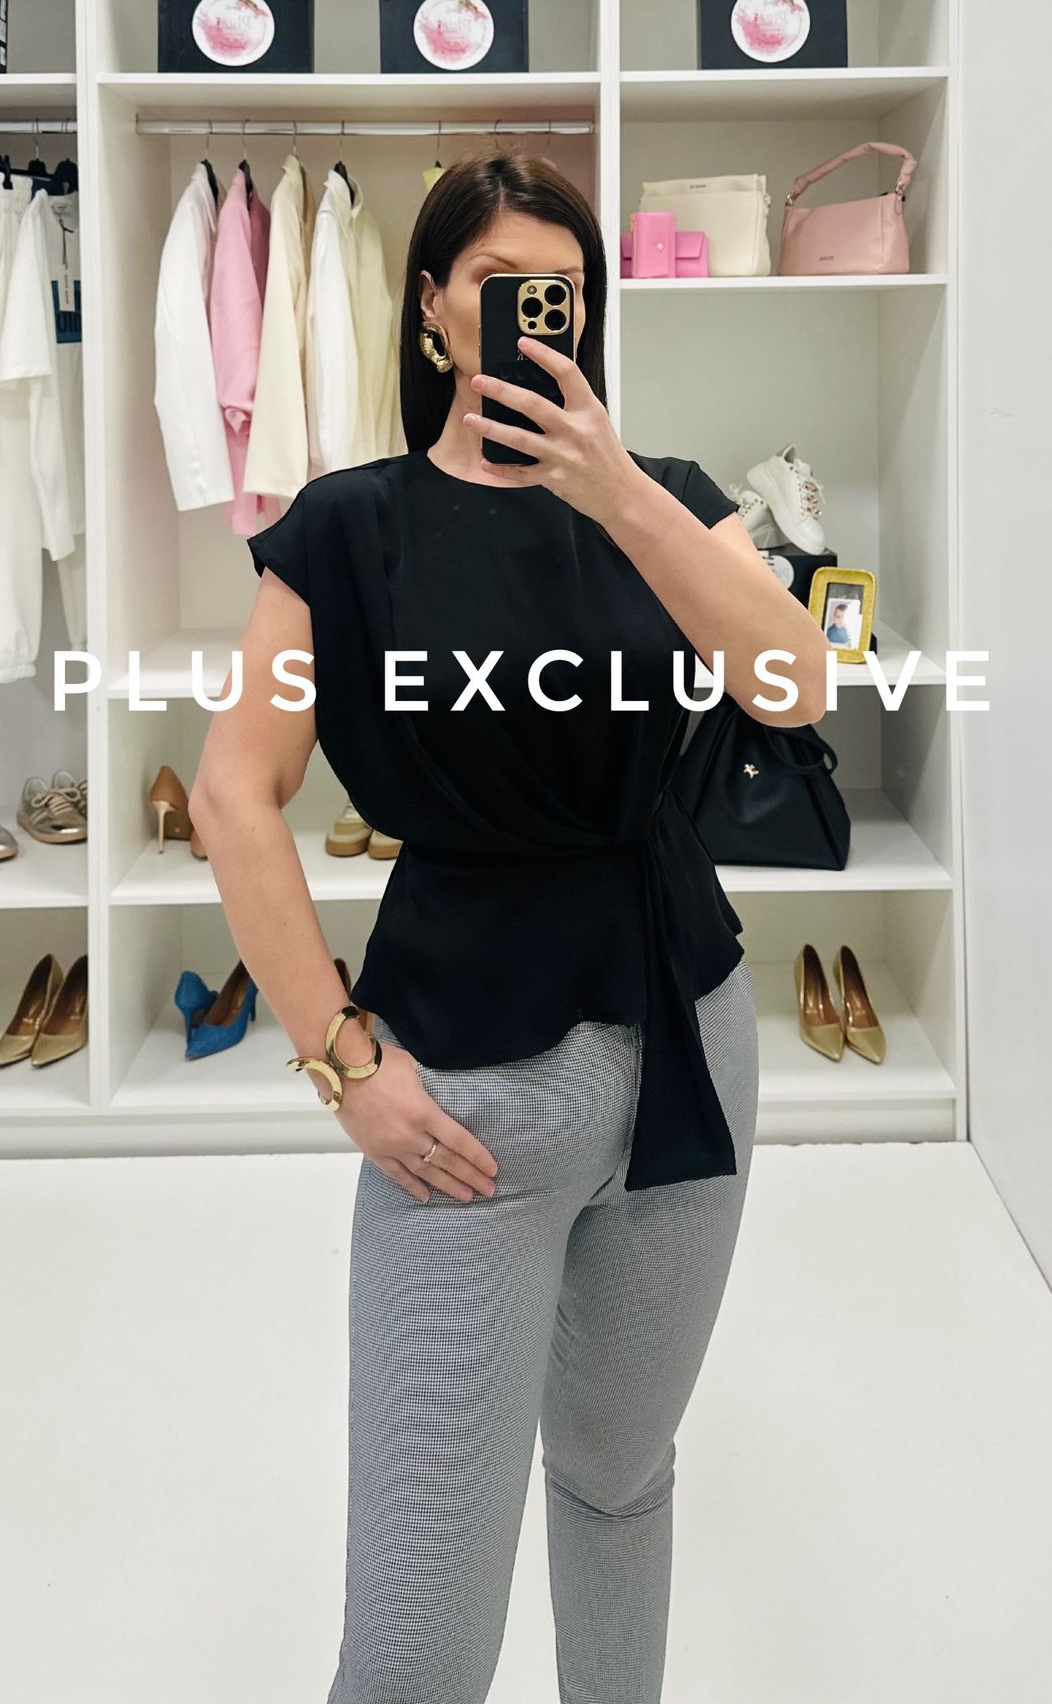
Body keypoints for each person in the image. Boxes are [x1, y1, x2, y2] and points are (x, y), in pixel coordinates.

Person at [191, 155, 830, 1703]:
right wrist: (343, 1062)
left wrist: (617, 493)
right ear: (431, 309)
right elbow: (231, 792)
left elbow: (798, 683)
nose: (541, 317)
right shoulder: (349, 531)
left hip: (690, 1039)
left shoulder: (664, 497)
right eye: (500, 286)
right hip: (466, 1083)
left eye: (567, 293)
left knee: (619, 1475)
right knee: (417, 1635)